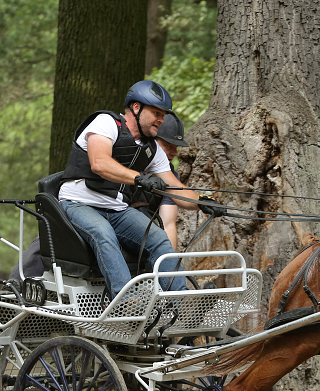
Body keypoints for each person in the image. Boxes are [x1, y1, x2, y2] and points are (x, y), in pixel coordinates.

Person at [59, 80, 223, 300]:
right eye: (156, 113)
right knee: (103, 234)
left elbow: (176, 189)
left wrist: (202, 201)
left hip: (116, 210)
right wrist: (140, 178)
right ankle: (127, 302)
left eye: (163, 115)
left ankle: (181, 304)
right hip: (78, 203)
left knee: (159, 239)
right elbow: (100, 163)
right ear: (136, 108)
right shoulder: (106, 123)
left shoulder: (152, 150)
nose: (161, 120)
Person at [155, 111, 190, 251]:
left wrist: (170, 269)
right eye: (169, 145)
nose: (175, 153)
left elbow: (168, 224)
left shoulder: (171, 176)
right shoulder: (128, 163)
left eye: (176, 147)